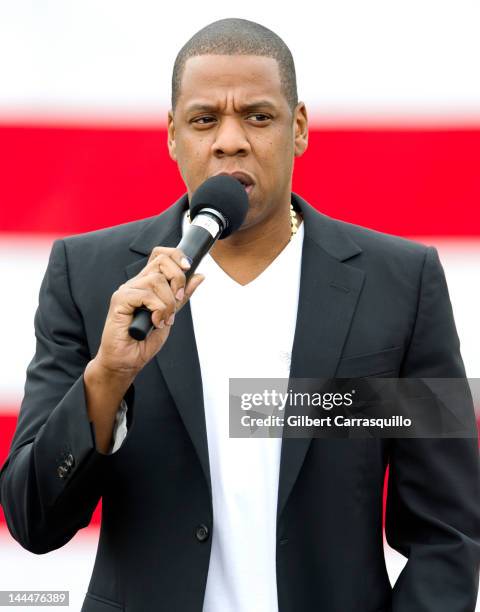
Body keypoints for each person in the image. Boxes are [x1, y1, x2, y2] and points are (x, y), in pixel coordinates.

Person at [1, 17, 479, 612]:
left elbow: (451, 531)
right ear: (173, 136)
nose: (230, 140)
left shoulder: (401, 283)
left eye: (258, 115)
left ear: (298, 128)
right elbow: (31, 521)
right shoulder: (90, 276)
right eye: (205, 120)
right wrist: (107, 377)